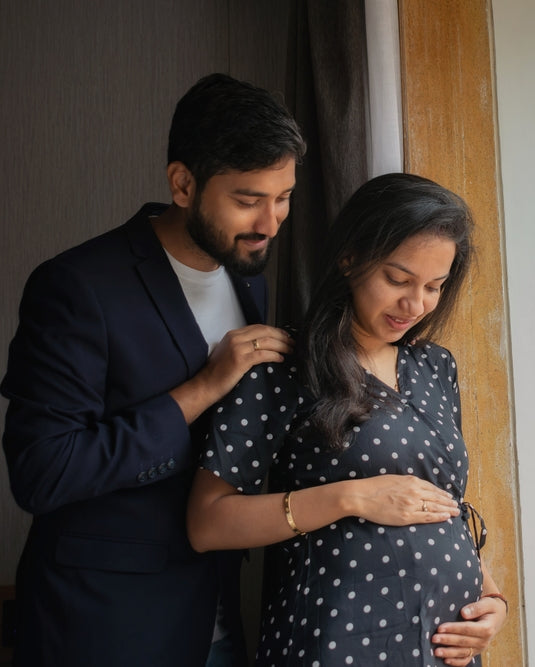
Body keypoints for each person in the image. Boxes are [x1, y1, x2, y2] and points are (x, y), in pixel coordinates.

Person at [1, 73, 306, 667]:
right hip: (104, 625)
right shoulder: (76, 286)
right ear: (183, 183)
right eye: (248, 200)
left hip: (216, 614)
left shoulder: (250, 280)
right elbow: (41, 473)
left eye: (284, 196)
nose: (270, 223)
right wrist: (203, 388)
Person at [187, 172, 510, 666]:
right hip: (339, 641)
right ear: (349, 257)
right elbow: (206, 523)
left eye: (433, 287)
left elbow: (441, 502)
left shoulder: (435, 366)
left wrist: (493, 602)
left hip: (446, 647)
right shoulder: (284, 366)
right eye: (398, 279)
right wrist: (350, 497)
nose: (414, 304)